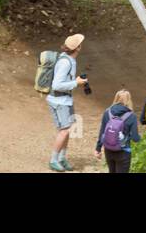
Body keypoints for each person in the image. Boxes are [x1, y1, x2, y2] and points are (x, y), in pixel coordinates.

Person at [47, 33, 87, 171]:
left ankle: (62, 158)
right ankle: (54, 160)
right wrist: (75, 83)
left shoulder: (68, 59)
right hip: (60, 100)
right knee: (64, 131)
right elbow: (57, 85)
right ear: (77, 48)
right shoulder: (65, 62)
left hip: (64, 100)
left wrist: (74, 81)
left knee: (67, 129)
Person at [94, 88, 141, 173]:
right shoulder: (131, 116)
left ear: (116, 98)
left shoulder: (107, 112)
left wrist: (98, 149)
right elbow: (135, 138)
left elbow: (102, 132)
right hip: (123, 152)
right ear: (129, 101)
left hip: (108, 150)